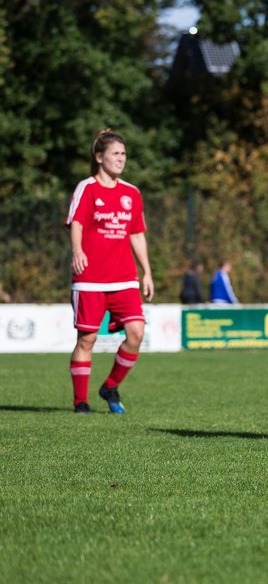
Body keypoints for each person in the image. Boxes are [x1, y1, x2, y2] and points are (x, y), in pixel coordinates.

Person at [65, 128, 154, 415]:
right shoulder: (87, 188)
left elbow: (137, 234)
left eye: (124, 154)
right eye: (116, 153)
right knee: (87, 339)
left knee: (136, 333)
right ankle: (81, 401)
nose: (121, 159)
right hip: (90, 279)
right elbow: (76, 222)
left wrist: (147, 272)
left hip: (124, 278)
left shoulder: (132, 193)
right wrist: (78, 251)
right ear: (99, 157)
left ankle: (111, 385)